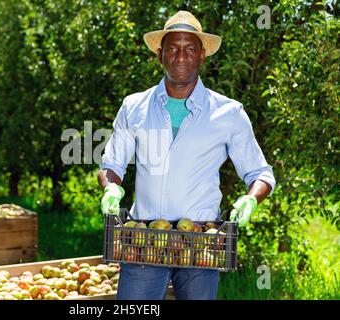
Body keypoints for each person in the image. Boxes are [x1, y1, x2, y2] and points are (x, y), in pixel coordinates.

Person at [97, 10, 276, 300]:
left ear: (202, 55)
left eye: (190, 49)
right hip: (144, 241)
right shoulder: (134, 107)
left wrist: (250, 199)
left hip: (201, 242)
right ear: (160, 55)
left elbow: (260, 174)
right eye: (173, 49)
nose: (181, 56)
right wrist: (110, 188)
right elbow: (112, 164)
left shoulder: (228, 113)